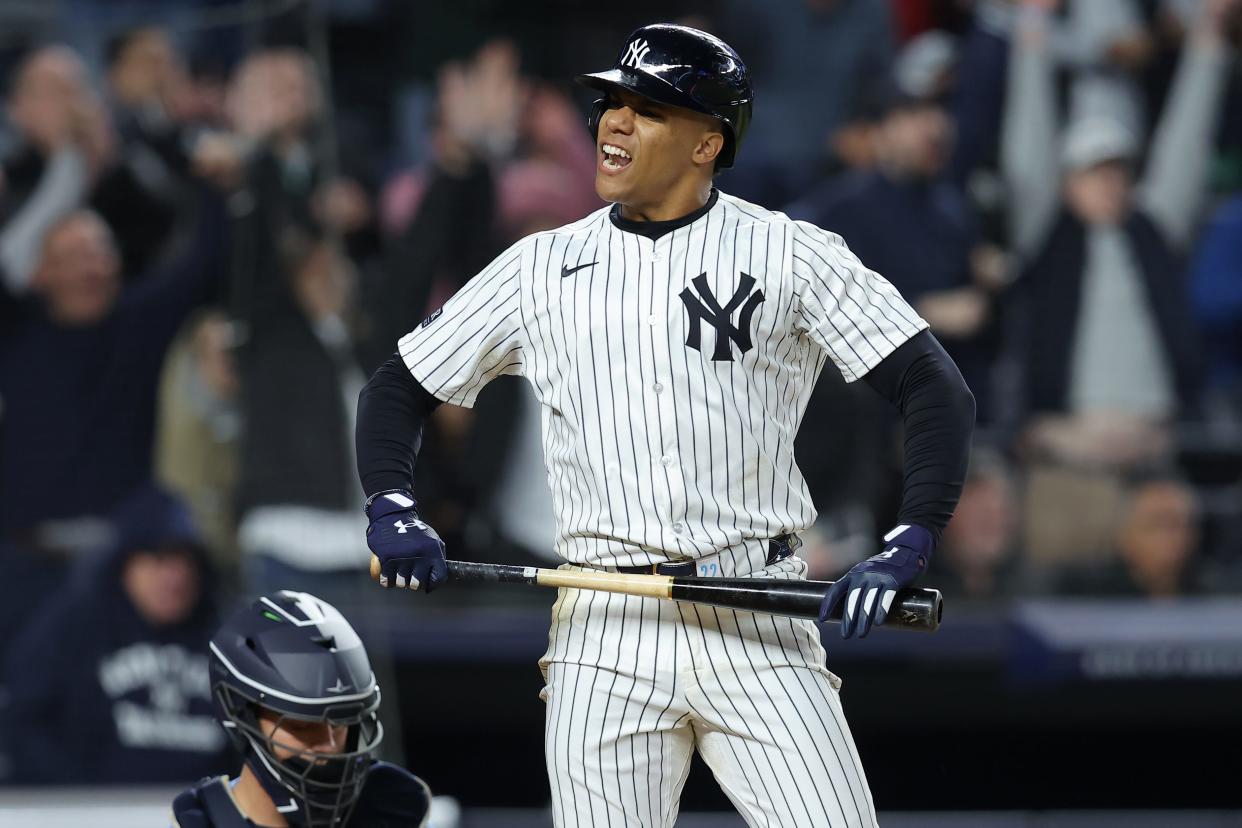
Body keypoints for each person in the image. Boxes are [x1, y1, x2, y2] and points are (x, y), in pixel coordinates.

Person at [355, 24, 974, 828]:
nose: (613, 122)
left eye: (646, 108)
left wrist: (911, 538)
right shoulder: (540, 265)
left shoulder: (788, 251)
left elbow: (934, 386)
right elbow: (396, 387)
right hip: (604, 622)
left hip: (756, 611)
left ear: (707, 142)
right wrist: (391, 506)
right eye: (611, 102)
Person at [0, 485, 227, 784]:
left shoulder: (223, 637)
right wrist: (77, 799)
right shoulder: (76, 628)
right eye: (158, 559)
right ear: (124, 566)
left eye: (187, 561)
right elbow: (23, 723)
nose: (176, 576)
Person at [172, 590, 430, 827]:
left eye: (341, 724)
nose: (329, 745)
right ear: (240, 715)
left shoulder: (394, 807)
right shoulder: (203, 820)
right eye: (302, 726)